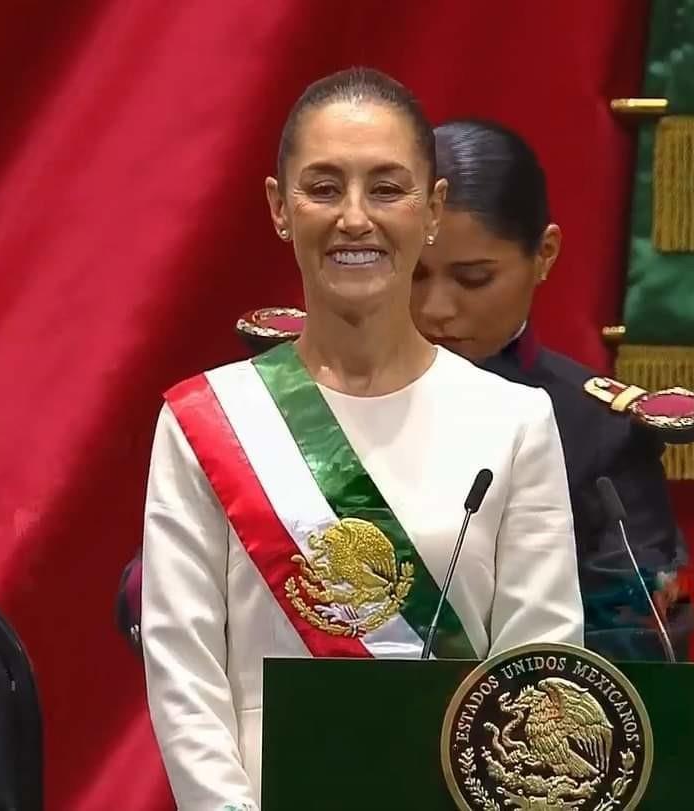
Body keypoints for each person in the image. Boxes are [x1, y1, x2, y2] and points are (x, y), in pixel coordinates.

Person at [139, 70, 583, 811]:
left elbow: (540, 669)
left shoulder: (514, 421)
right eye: (323, 187)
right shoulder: (206, 420)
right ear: (279, 208)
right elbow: (185, 673)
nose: (354, 218)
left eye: (386, 188)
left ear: (432, 208)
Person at [415, 119, 694, 661]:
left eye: (473, 278)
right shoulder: (324, 400)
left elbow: (638, 638)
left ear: (544, 254)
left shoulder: (599, 429)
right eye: (413, 275)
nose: (436, 309)